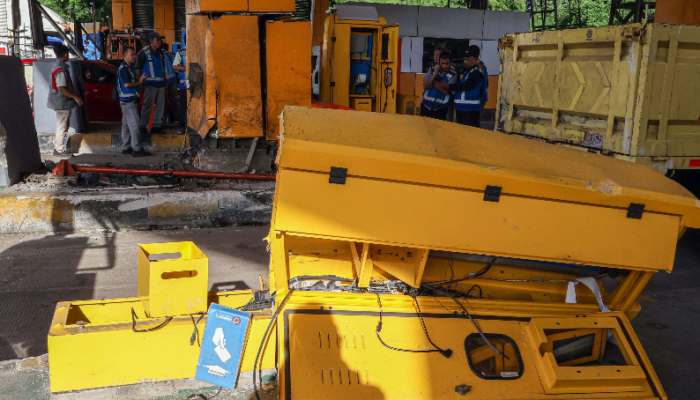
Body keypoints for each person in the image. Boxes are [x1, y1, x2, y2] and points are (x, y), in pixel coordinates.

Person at [135, 32, 176, 136]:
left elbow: (163, 68)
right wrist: (140, 82)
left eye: (160, 40)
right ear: (151, 40)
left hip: (161, 84)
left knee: (160, 107)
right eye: (157, 40)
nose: (159, 42)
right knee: (147, 106)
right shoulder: (143, 53)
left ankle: (156, 126)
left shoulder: (161, 53)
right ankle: (143, 126)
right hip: (149, 85)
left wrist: (166, 82)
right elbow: (138, 69)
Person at [47, 43, 83, 157]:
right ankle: (59, 149)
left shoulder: (57, 66)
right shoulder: (60, 69)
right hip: (62, 102)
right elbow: (61, 88)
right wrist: (75, 97)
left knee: (63, 126)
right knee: (62, 126)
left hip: (60, 102)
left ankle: (59, 148)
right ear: (66, 54)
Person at [437, 45, 485, 128]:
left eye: (468, 59)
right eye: (465, 59)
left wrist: (448, 86)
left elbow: (466, 86)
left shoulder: (477, 73)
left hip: (470, 109)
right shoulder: (469, 72)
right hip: (462, 108)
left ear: (476, 59)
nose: (466, 62)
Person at [117, 46, 150, 156]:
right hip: (128, 101)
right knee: (135, 125)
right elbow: (127, 84)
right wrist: (140, 83)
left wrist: (139, 80)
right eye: (132, 54)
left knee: (126, 125)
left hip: (128, 101)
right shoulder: (124, 69)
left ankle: (126, 147)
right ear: (125, 55)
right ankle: (137, 148)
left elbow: (131, 80)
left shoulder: (129, 68)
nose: (135, 56)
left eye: (135, 54)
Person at [420, 52, 457, 121]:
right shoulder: (432, 69)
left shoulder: (454, 74)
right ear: (439, 62)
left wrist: (433, 84)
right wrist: (434, 75)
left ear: (451, 63)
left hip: (441, 108)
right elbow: (425, 86)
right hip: (426, 105)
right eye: (442, 63)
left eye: (447, 64)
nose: (444, 66)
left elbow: (447, 92)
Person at [172, 35, 187, 134]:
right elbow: (175, 66)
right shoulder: (181, 52)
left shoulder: (200, 51)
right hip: (185, 84)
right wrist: (188, 68)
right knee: (184, 105)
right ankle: (182, 126)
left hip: (198, 84)